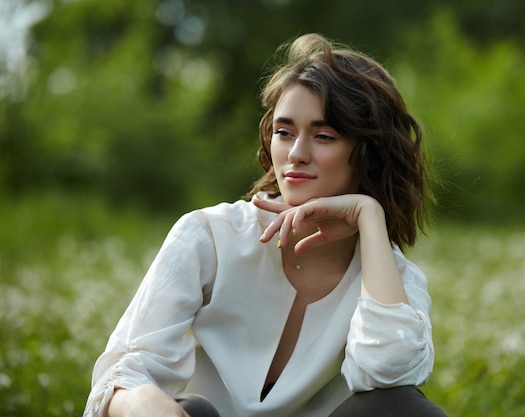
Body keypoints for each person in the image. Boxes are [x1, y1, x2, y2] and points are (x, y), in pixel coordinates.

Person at [83, 33, 448, 417]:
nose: (296, 154)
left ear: (369, 154)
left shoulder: (393, 280)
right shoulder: (210, 235)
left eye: (324, 136)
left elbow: (388, 375)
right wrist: (142, 400)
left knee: (406, 407)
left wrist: (370, 215)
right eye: (284, 131)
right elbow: (121, 378)